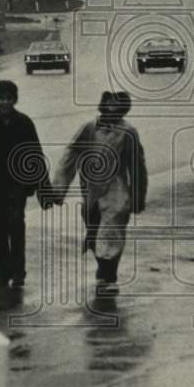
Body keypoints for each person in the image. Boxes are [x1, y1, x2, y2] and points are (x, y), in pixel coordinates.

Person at [51, 91, 148, 295]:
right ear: (102, 105)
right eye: (108, 104)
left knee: (111, 230)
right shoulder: (89, 128)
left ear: (123, 108)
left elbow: (136, 164)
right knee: (94, 229)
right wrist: (58, 189)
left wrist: (138, 196)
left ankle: (109, 277)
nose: (112, 109)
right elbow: (70, 155)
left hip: (116, 186)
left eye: (117, 105)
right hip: (91, 188)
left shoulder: (128, 132)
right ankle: (103, 270)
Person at [0, 80, 49, 289]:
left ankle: (18, 272)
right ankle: (2, 271)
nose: (5, 102)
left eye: (8, 98)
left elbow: (35, 154)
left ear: (15, 99)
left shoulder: (24, 123)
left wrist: (44, 188)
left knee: (16, 227)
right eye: (1, 98)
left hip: (17, 186)